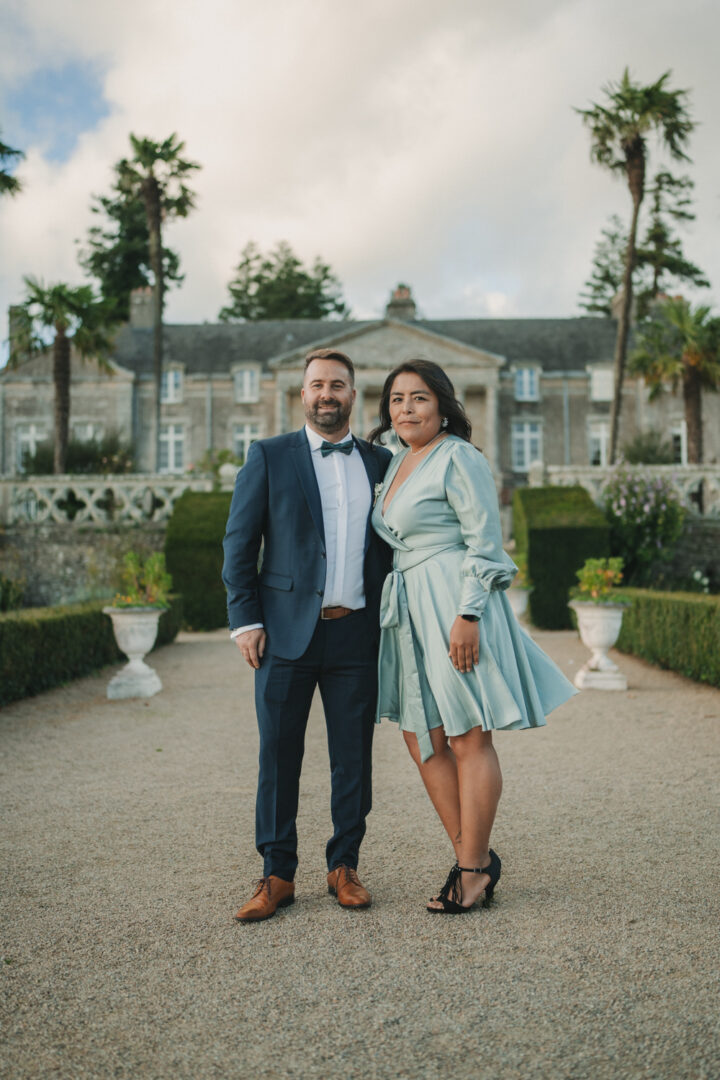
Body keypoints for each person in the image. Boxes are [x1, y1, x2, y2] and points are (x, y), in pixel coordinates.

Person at [368, 359, 576, 914]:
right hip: (409, 607)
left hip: (453, 601)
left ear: (442, 405)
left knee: (467, 735)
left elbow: (485, 541)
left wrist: (469, 615)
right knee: (422, 736)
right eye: (396, 399)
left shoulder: (459, 456)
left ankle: (471, 871)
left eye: (418, 397)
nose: (406, 408)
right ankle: (473, 856)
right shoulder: (396, 461)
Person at [223, 348, 392, 922]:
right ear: (303, 395)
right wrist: (246, 620)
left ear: (353, 395)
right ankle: (277, 874)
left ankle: (344, 866)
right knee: (278, 755)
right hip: (283, 636)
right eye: (317, 385)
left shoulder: (381, 462)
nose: (327, 394)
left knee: (353, 758)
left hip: (356, 634)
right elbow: (239, 543)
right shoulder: (269, 456)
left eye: (337, 385)